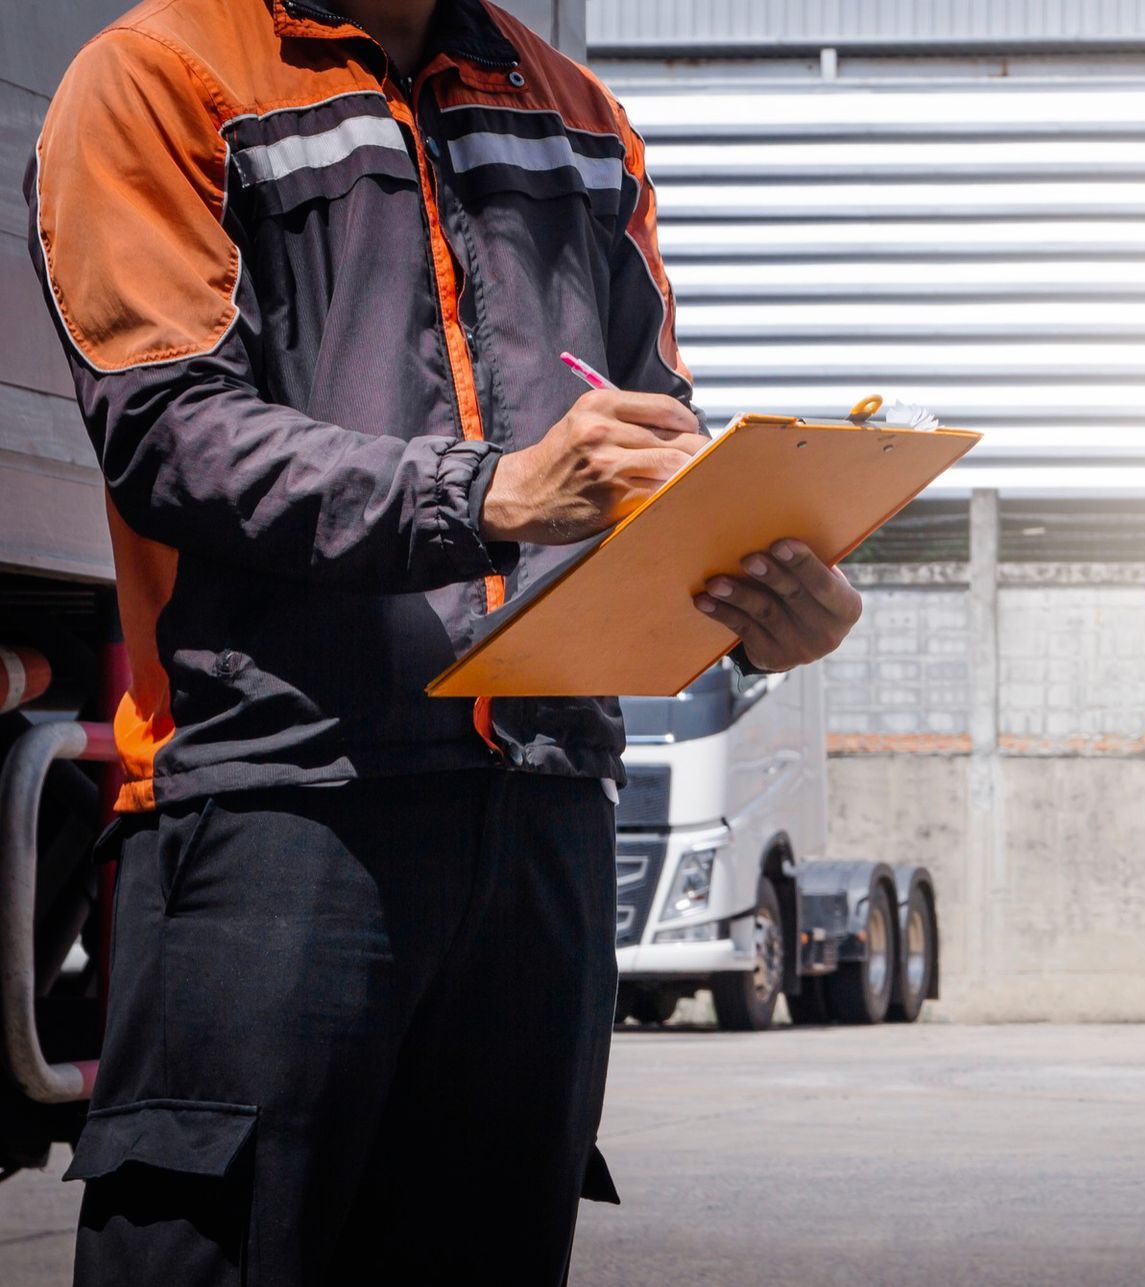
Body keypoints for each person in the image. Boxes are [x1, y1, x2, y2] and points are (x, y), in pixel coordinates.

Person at [26, 0, 862, 1281]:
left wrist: (754, 600)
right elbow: (171, 434)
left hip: (543, 813)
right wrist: (485, 495)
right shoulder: (161, 78)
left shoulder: (581, 121)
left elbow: (649, 447)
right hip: (276, 805)